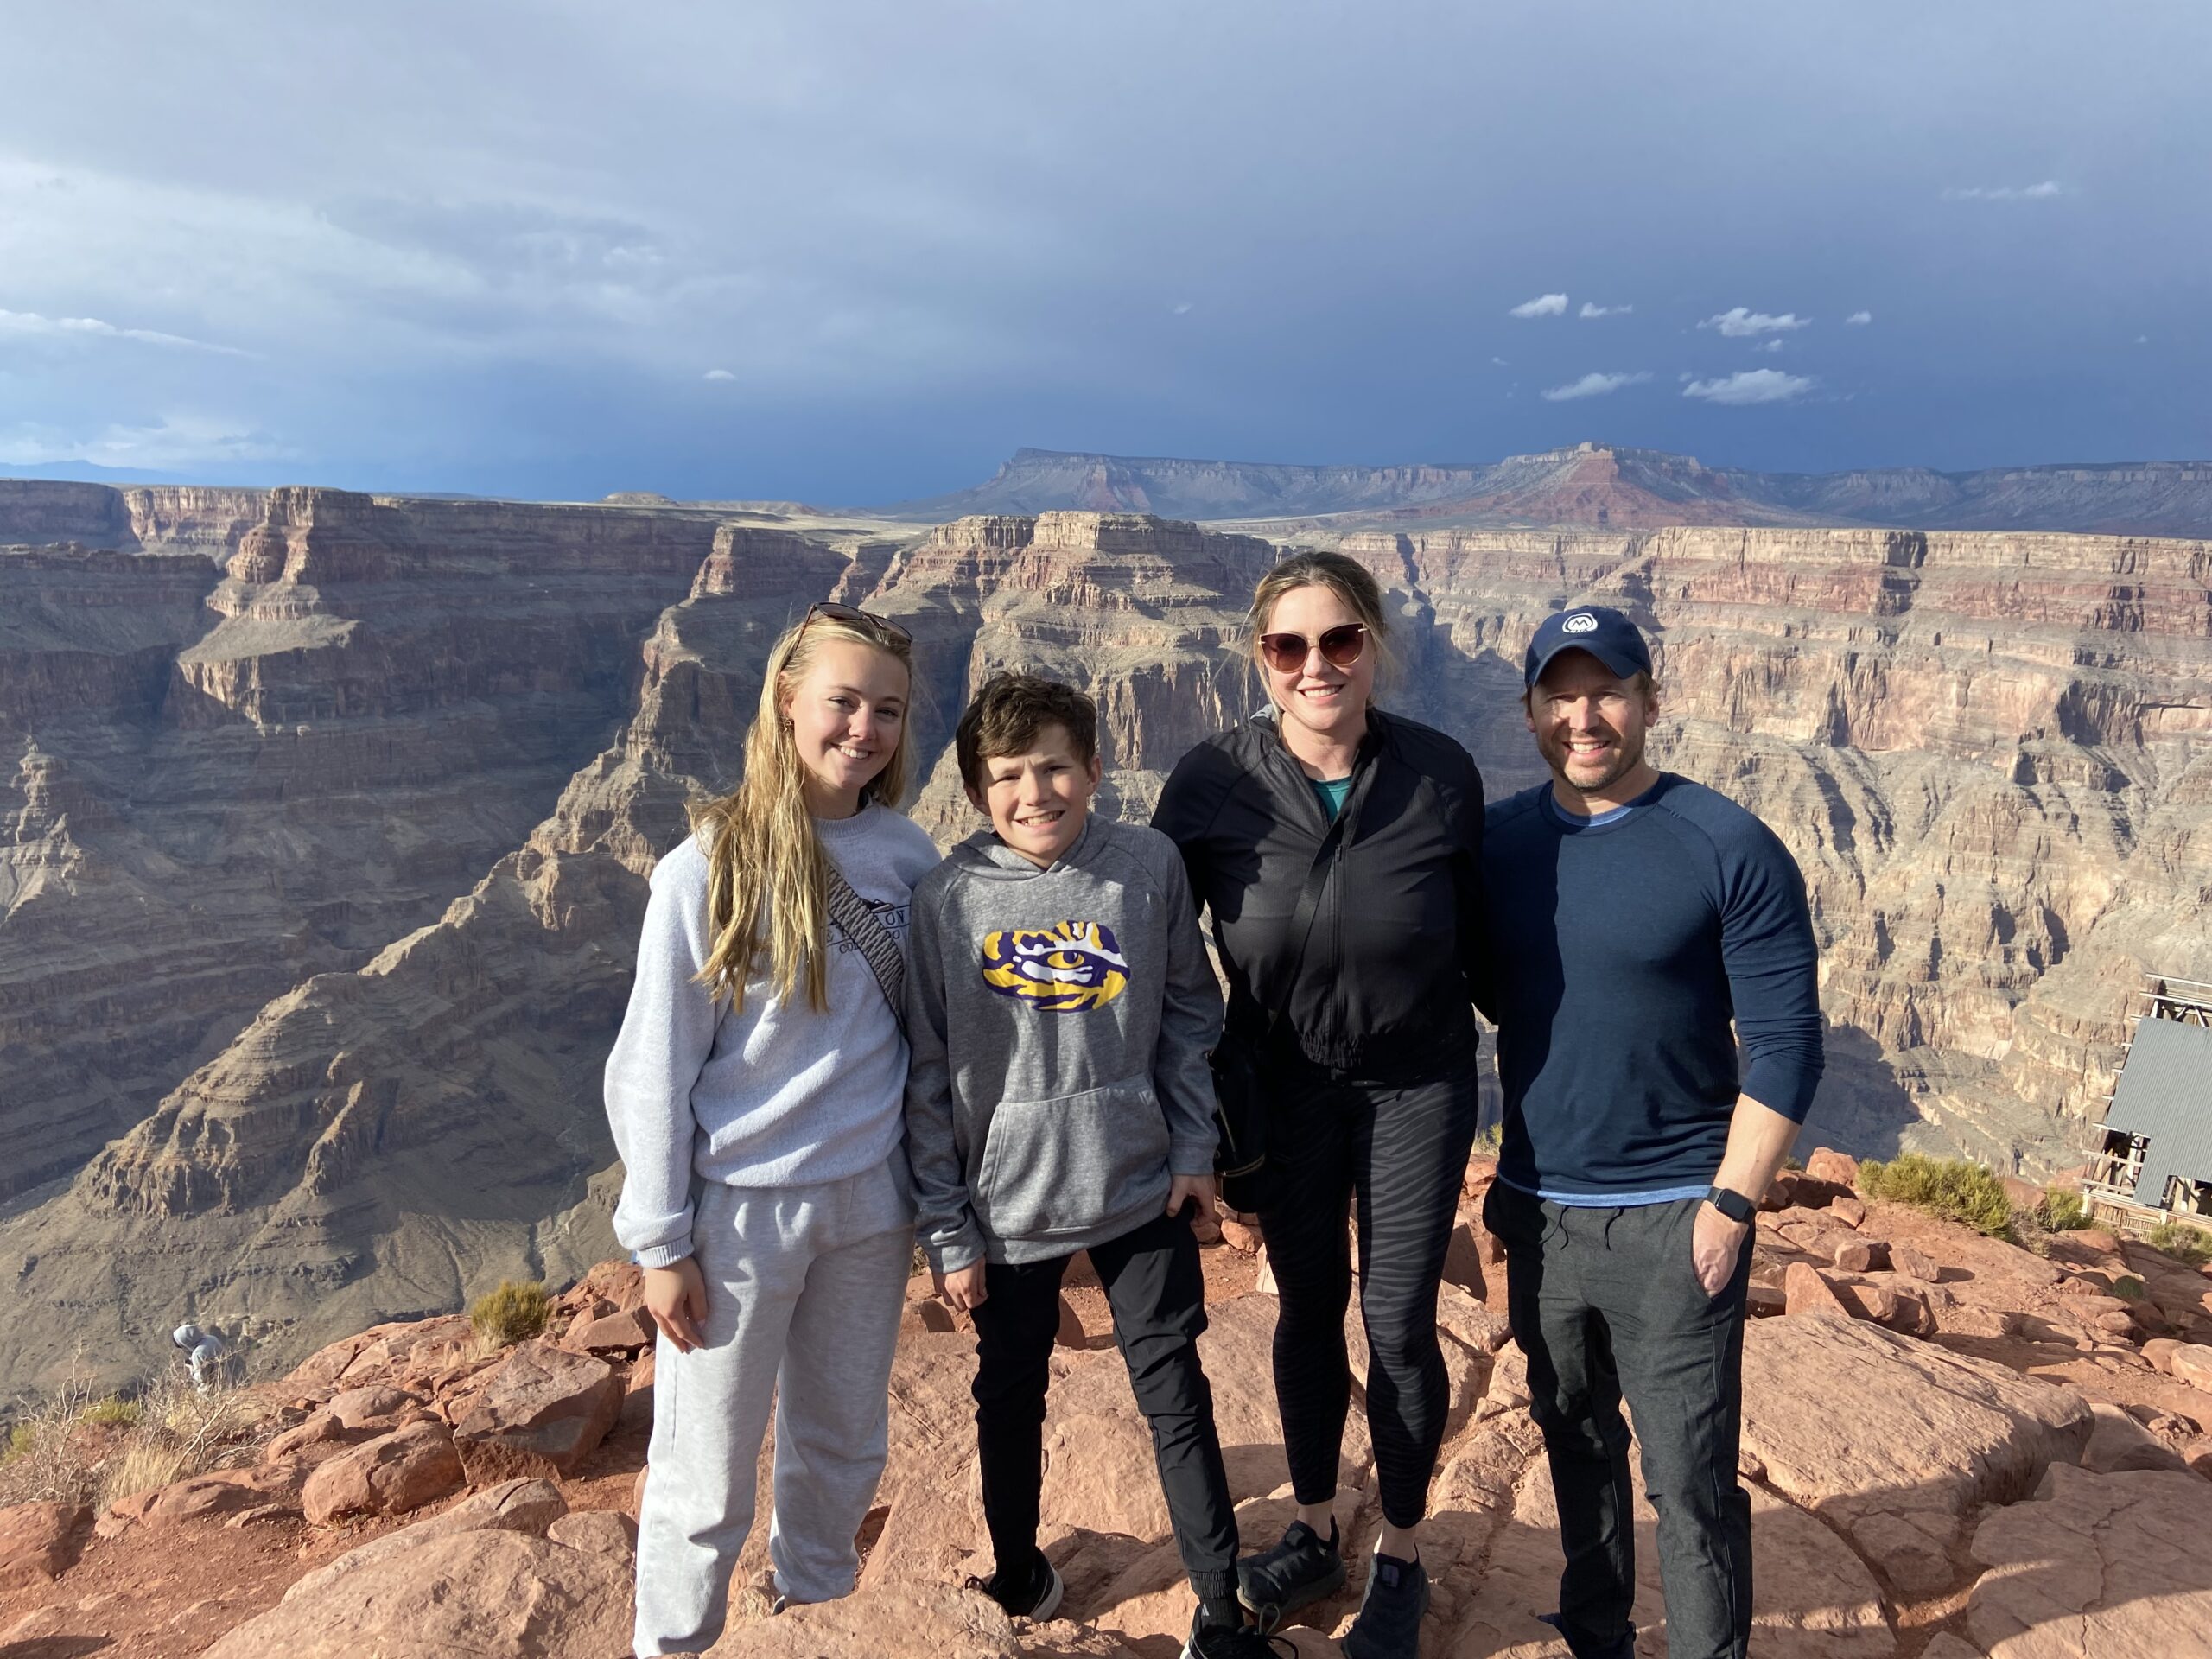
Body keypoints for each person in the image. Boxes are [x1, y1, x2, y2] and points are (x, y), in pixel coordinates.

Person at [905, 673, 1285, 1659]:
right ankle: (1017, 1571)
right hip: (1008, 1207)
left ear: (1095, 768)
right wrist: (947, 1229)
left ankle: (1218, 1602)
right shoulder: (947, 900)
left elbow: (1191, 1012)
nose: (1033, 794)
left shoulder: (1146, 866)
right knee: (1009, 1393)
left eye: (1054, 769)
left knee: (1174, 1387)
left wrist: (1194, 1149)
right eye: (1006, 777)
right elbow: (927, 1074)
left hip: (1139, 1184)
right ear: (975, 791)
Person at [1152, 551, 1486, 1659]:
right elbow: (1158, 949)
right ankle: (1314, 1524)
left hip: (1416, 1084)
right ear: (1258, 657)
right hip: (1281, 1087)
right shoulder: (1211, 782)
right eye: (1287, 645)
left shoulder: (1438, 772)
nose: (1315, 666)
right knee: (1305, 1306)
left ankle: (1400, 1550)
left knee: (1396, 1322)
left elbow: (1490, 939)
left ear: (1373, 643)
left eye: (1339, 640)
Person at [1478, 605, 1824, 1659]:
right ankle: (1597, 1638)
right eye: (1561, 696)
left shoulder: (1726, 845)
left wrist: (1729, 1206)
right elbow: (1473, 993)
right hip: (1540, 1212)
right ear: (1530, 710)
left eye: (1608, 693)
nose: (1584, 719)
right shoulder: (1498, 846)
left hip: (1676, 1216)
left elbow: (1786, 1047)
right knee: (1574, 1445)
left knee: (1690, 1483)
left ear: (1649, 702)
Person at [604, 602, 941, 1658]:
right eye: (842, 702)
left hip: (871, 1208)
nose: (864, 729)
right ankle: (673, 1646)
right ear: (787, 702)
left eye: (888, 710)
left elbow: (931, 1039)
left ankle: (817, 1626)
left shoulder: (908, 856)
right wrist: (661, 1243)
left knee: (841, 1450)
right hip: (739, 1222)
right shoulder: (706, 868)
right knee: (704, 1474)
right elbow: (654, 1065)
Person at [171, 1322, 230, 1393]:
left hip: (211, 1390)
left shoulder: (198, 1354)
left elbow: (202, 1378)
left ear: (186, 1343)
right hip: (226, 1380)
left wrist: (191, 1368)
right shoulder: (212, 1338)